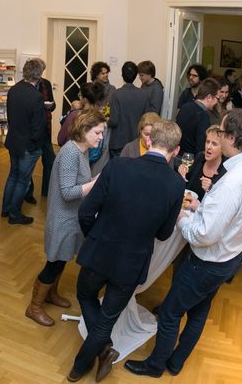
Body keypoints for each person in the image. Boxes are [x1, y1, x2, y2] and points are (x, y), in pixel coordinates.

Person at [125, 109, 242, 378]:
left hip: (207, 262)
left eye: (220, 133)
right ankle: (176, 362)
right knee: (198, 313)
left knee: (170, 313)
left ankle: (155, 366)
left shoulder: (232, 181)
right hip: (229, 257)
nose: (216, 138)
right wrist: (203, 206)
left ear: (231, 138)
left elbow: (202, 235)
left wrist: (181, 216)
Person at [67, 119, 185, 383]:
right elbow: (164, 234)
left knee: (85, 295)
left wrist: (96, 236)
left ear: (148, 141)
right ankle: (99, 352)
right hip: (132, 263)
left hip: (99, 252)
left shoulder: (118, 166)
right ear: (176, 151)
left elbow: (86, 212)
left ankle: (81, 365)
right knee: (107, 317)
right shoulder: (176, 185)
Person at [25, 110, 104, 327]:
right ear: (85, 130)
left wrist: (94, 179)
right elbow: (68, 192)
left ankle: (51, 294)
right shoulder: (70, 152)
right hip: (63, 219)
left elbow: (80, 182)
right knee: (54, 263)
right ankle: (34, 307)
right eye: (97, 132)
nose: (100, 137)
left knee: (61, 259)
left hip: (71, 218)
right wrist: (95, 184)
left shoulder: (82, 150)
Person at [1, 58, 46, 225]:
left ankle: (5, 209)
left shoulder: (14, 90)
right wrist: (36, 146)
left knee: (13, 175)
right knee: (22, 179)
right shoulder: (36, 97)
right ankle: (14, 214)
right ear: (39, 75)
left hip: (13, 140)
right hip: (28, 145)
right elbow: (38, 128)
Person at [25, 57, 56, 202]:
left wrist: (50, 105)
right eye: (40, 70)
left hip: (45, 127)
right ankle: (28, 193)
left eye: (42, 71)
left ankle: (47, 191)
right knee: (28, 163)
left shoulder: (46, 84)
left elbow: (53, 104)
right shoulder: (24, 86)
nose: (41, 74)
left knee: (50, 161)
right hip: (30, 129)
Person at [107, 61, 150, 158]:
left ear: (122, 75)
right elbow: (147, 119)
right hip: (137, 142)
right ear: (135, 76)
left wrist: (106, 121)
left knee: (118, 171)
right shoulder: (144, 94)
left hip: (118, 143)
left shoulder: (116, 94)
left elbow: (113, 121)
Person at [177, 124, 226, 201]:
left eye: (214, 144)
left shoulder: (225, 171)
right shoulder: (200, 157)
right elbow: (186, 187)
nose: (208, 147)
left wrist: (210, 190)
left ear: (223, 148)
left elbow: (221, 203)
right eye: (207, 142)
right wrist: (183, 177)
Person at [176, 78, 219, 156]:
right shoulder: (203, 115)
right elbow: (201, 147)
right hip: (190, 159)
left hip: (177, 154)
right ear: (209, 97)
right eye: (217, 98)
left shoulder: (185, 106)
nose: (217, 102)